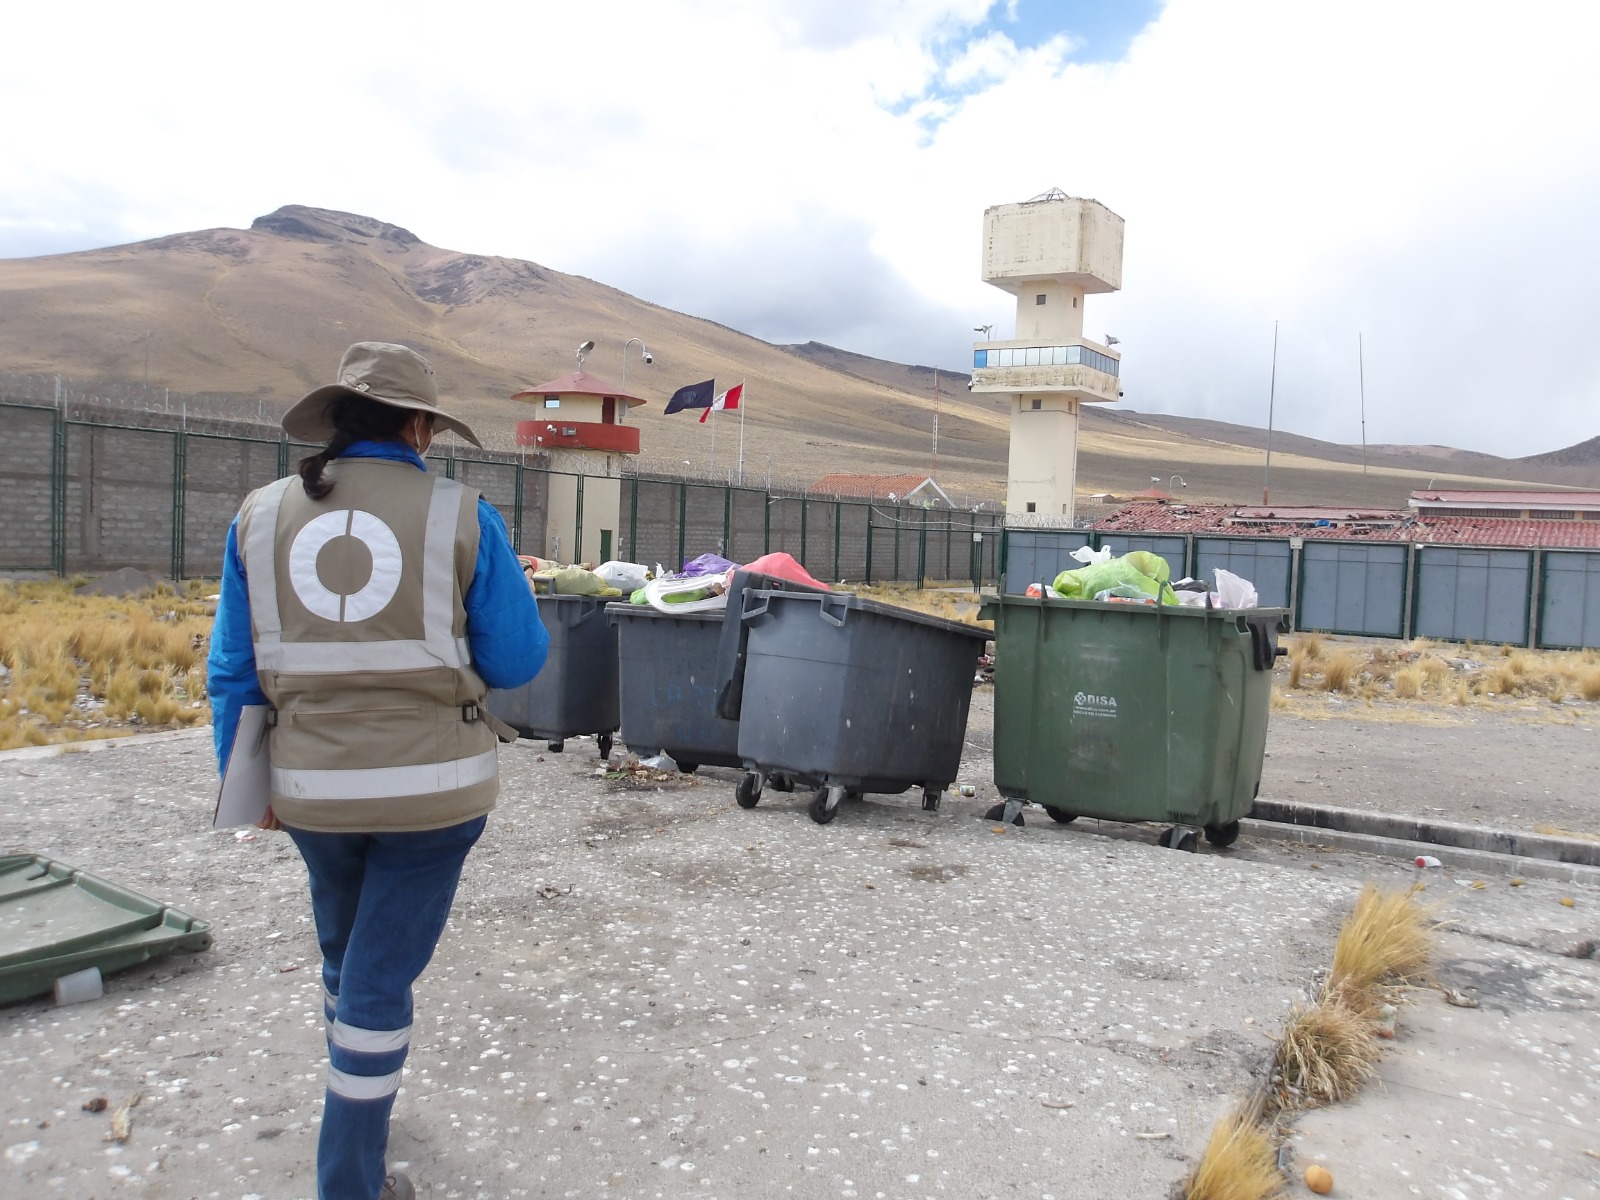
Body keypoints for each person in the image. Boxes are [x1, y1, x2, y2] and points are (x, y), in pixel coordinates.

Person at [207, 342, 548, 1200]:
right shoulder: (462, 513)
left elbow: (232, 672)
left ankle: (362, 1098)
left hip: (310, 791)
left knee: (347, 956)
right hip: (434, 799)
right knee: (378, 981)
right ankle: (350, 1176)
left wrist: (249, 790)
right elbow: (516, 663)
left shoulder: (257, 516)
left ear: (335, 420)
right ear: (420, 425)